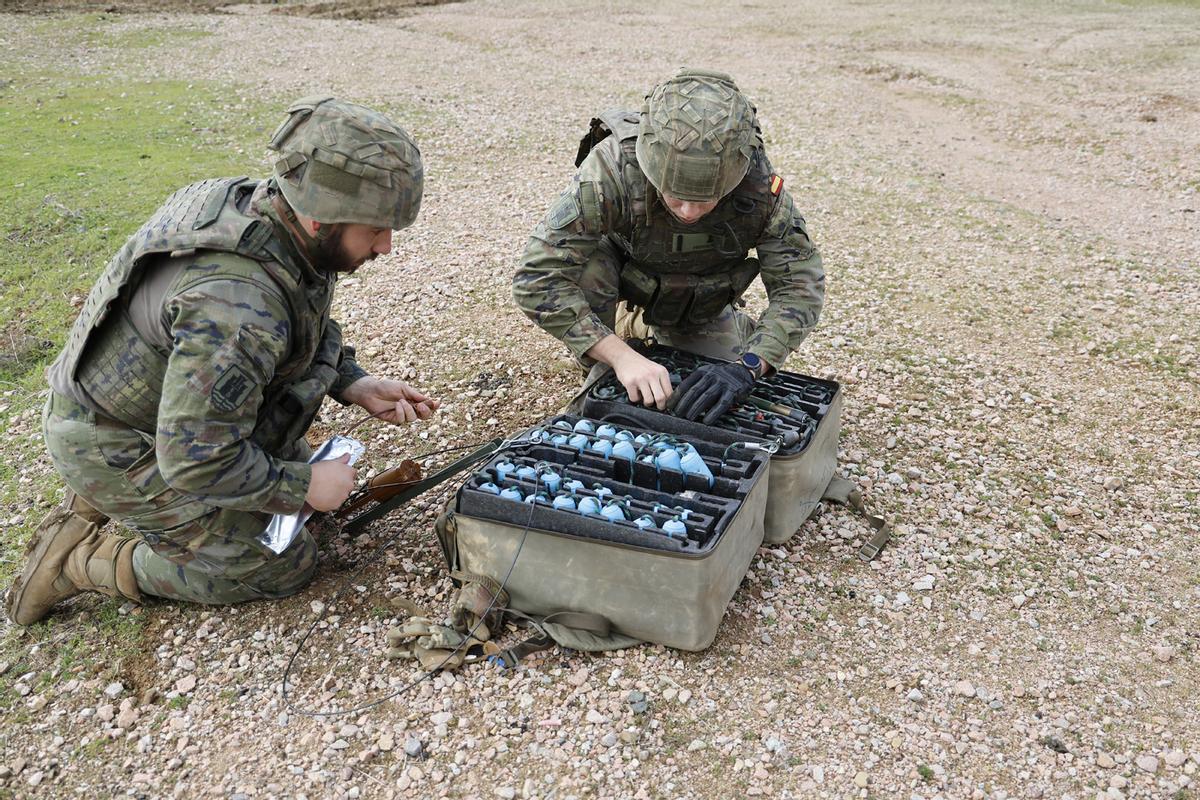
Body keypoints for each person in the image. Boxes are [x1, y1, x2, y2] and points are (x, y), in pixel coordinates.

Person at [6, 96, 437, 625]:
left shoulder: (274, 217)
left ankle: (125, 505)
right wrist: (303, 486)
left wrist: (352, 381)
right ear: (321, 214)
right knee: (281, 563)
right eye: (374, 229)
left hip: (163, 410)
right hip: (118, 440)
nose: (386, 246)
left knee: (296, 500)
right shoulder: (236, 306)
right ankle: (81, 561)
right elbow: (195, 460)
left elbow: (301, 320)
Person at [512, 68, 825, 424]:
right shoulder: (613, 167)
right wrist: (619, 357)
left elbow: (799, 288)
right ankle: (609, 346)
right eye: (676, 196)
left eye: (707, 200)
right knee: (587, 269)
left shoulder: (759, 189)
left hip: (696, 293)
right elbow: (536, 278)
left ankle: (653, 330)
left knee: (712, 388)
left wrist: (749, 366)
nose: (689, 212)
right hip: (621, 272)